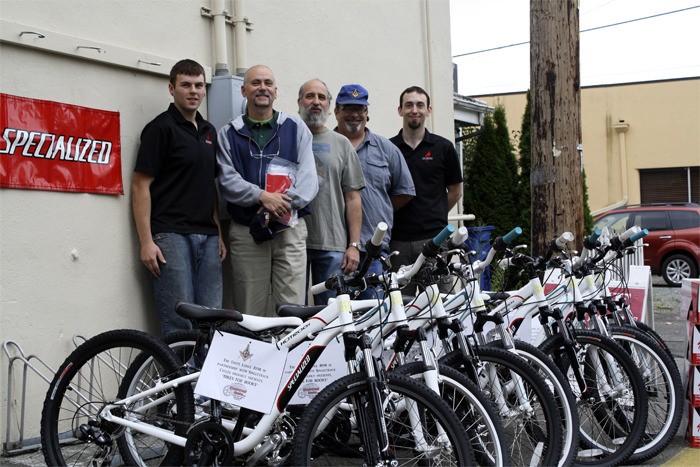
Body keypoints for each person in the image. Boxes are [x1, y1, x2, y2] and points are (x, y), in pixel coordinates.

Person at [132, 59, 226, 335]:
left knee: (212, 320)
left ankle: (204, 379)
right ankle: (181, 378)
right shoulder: (160, 129)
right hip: (171, 236)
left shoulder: (209, 131)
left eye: (198, 85)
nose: (193, 91)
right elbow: (140, 186)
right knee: (179, 320)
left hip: (207, 238)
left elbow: (209, 188)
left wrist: (218, 233)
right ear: (172, 88)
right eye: (186, 85)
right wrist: (146, 242)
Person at [217, 65, 318, 316]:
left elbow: (308, 180)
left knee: (292, 308)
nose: (262, 87)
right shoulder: (229, 133)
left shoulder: (296, 128)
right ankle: (254, 354)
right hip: (246, 231)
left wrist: (280, 204)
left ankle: (289, 355)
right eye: (255, 83)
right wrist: (262, 197)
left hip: (289, 229)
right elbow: (227, 180)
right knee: (249, 308)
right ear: (243, 90)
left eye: (268, 83)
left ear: (275, 91)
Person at [334, 84, 415, 296]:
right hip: (332, 247)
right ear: (336, 112)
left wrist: (381, 211)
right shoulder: (326, 146)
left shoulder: (386, 149)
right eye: (348, 109)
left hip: (372, 248)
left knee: (374, 315)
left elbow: (405, 191)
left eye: (360, 109)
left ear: (367, 114)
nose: (354, 115)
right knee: (333, 318)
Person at [298, 79, 365, 305]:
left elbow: (353, 197)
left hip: (333, 244)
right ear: (299, 102)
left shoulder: (342, 144)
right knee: (292, 310)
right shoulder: (288, 137)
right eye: (310, 96)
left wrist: (354, 245)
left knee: (332, 313)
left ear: (329, 106)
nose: (315, 102)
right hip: (292, 241)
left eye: (321, 97)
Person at [390, 86, 463, 294]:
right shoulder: (389, 149)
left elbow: (456, 191)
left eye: (420, 105)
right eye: (409, 105)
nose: (414, 110)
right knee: (400, 308)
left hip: (435, 240)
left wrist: (434, 212)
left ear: (428, 110)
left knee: (440, 304)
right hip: (399, 242)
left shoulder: (444, 148)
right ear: (400, 110)